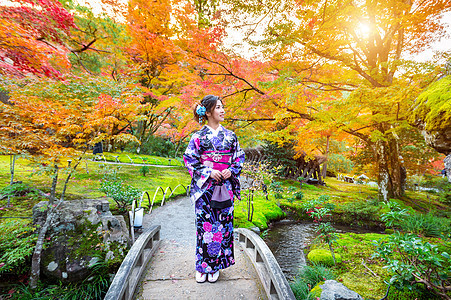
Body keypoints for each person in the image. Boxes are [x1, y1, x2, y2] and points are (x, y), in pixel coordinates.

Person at [183, 95, 245, 283]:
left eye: (222, 106)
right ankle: (203, 266)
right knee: (205, 227)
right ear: (208, 112)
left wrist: (230, 171)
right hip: (205, 190)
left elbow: (239, 158)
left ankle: (216, 265)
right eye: (218, 107)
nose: (223, 110)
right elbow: (189, 159)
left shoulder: (231, 136)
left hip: (225, 187)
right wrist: (208, 172)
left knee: (223, 227)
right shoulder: (197, 137)